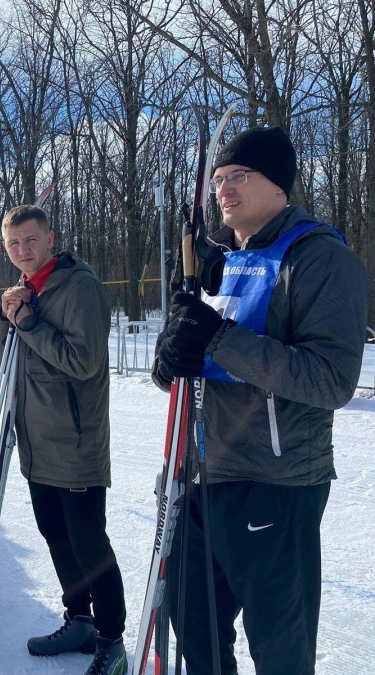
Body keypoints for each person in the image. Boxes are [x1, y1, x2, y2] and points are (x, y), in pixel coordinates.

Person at [152, 127, 368, 675]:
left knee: (279, 644)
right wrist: (169, 357)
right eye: (219, 179)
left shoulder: (317, 257)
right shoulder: (216, 258)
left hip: (275, 483)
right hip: (201, 476)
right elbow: (190, 356)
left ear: (277, 183)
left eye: (238, 176)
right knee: (192, 624)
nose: (224, 188)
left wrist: (218, 338)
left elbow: (330, 379)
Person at [0, 205, 127, 674]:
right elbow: (0, 361)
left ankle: (112, 638)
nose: (23, 250)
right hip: (36, 441)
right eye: (14, 243)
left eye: (30, 240)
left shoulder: (79, 285)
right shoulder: (24, 290)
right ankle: (79, 620)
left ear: (50, 238)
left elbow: (83, 361)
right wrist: (6, 315)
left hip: (75, 441)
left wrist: (29, 321)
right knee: (56, 537)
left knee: (89, 543)